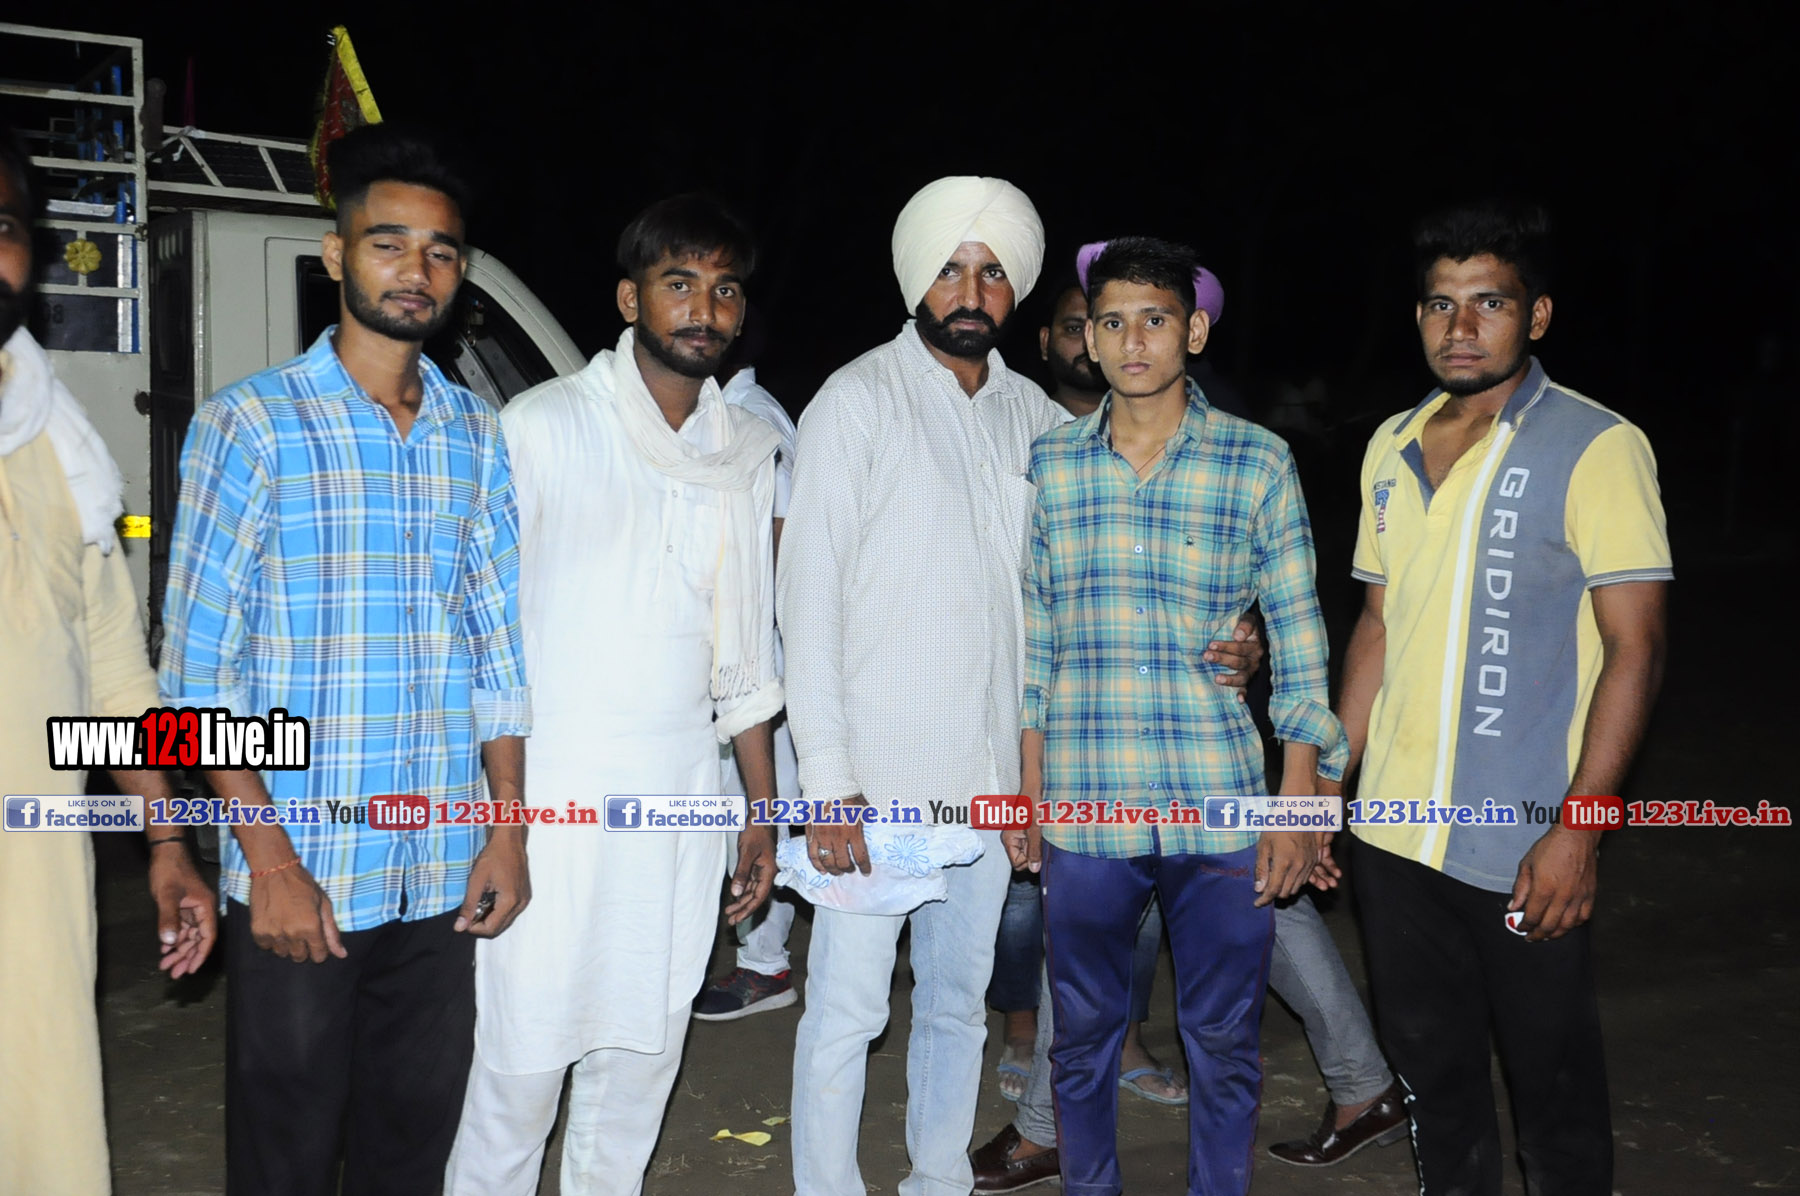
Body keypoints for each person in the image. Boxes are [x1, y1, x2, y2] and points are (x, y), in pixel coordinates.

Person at [158, 123, 531, 1195]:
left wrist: (507, 831)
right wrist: (268, 862)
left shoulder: (476, 435)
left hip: (442, 872)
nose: (417, 270)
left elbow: (499, 655)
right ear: (336, 255)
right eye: (388, 243)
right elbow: (194, 680)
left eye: (441, 252)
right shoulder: (251, 425)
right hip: (305, 872)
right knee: (283, 1159)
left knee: (410, 1151)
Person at [972, 266, 1403, 1192]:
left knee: (1223, 1038)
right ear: (1088, 340)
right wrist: (1028, 787)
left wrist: (1298, 802)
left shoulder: (1257, 461)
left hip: (1218, 801)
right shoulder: (1052, 465)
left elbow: (1298, 635)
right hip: (1087, 803)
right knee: (1079, 1038)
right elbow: (1038, 639)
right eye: (1110, 323)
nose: (1132, 341)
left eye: (1155, 320)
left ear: (1194, 333)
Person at [1324, 201, 1670, 1196]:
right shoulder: (1389, 443)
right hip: (1392, 838)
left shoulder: (1596, 444)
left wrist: (1581, 830)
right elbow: (1376, 624)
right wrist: (1327, 788)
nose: (1462, 326)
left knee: (1554, 1095)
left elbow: (1637, 647)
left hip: (1524, 843)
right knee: (1435, 1081)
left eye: (1491, 303)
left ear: (1538, 315)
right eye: (1442, 304)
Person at [443, 194, 781, 1196]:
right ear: (631, 299)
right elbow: (483, 639)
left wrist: (760, 810)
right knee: (518, 1067)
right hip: (552, 793)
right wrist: (501, 820)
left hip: (681, 796)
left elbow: (743, 653)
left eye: (725, 289)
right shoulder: (542, 427)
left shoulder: (744, 450)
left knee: (641, 1060)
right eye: (680, 283)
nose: (704, 309)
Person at [777, 175, 1065, 1196]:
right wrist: (828, 781)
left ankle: (938, 1179)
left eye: (992, 272)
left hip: (988, 782)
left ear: (1015, 289)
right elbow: (806, 601)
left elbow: (1057, 600)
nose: (971, 291)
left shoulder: (1036, 417)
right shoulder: (856, 400)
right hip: (880, 780)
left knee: (957, 1004)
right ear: (915, 280)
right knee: (849, 1010)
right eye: (950, 268)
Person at [0, 123, 216, 1196]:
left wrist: (167, 841)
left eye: (1, 226)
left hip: (30, 903)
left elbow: (117, 678)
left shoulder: (58, 441)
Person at [694, 319, 805, 1022]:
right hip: (734, 643)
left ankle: (766, 965)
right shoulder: (718, 414)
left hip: (758, 646)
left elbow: (781, 538)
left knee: (760, 804)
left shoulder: (750, 418)